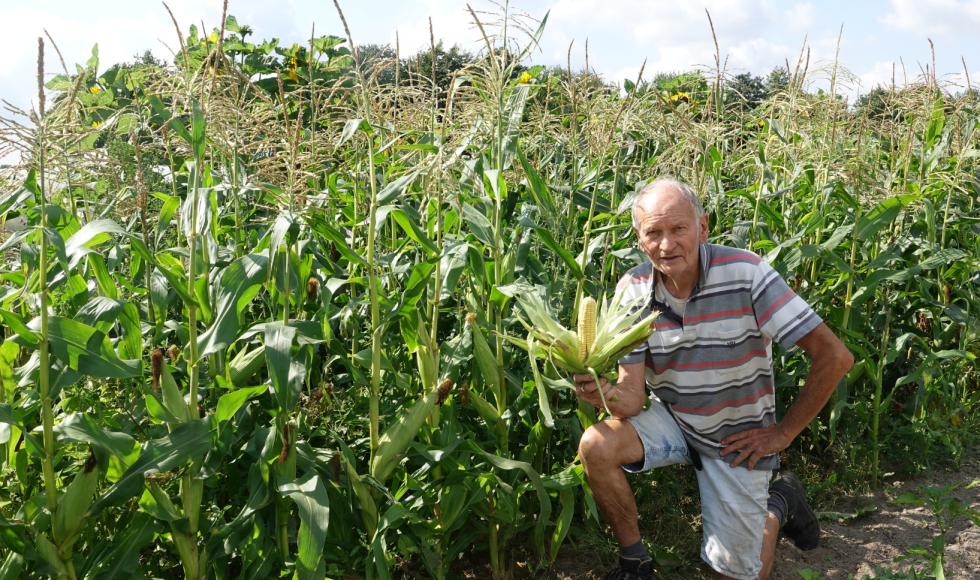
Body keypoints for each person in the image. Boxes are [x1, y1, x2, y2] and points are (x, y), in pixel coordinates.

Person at [574, 178, 854, 580]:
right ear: (639, 239)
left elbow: (835, 356)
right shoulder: (633, 290)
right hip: (673, 419)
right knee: (596, 445)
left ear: (703, 228)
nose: (666, 245)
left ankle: (780, 502)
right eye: (653, 232)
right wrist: (602, 394)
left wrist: (783, 433)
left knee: (738, 576)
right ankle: (634, 563)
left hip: (737, 438)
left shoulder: (746, 274)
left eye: (678, 229)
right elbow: (633, 397)